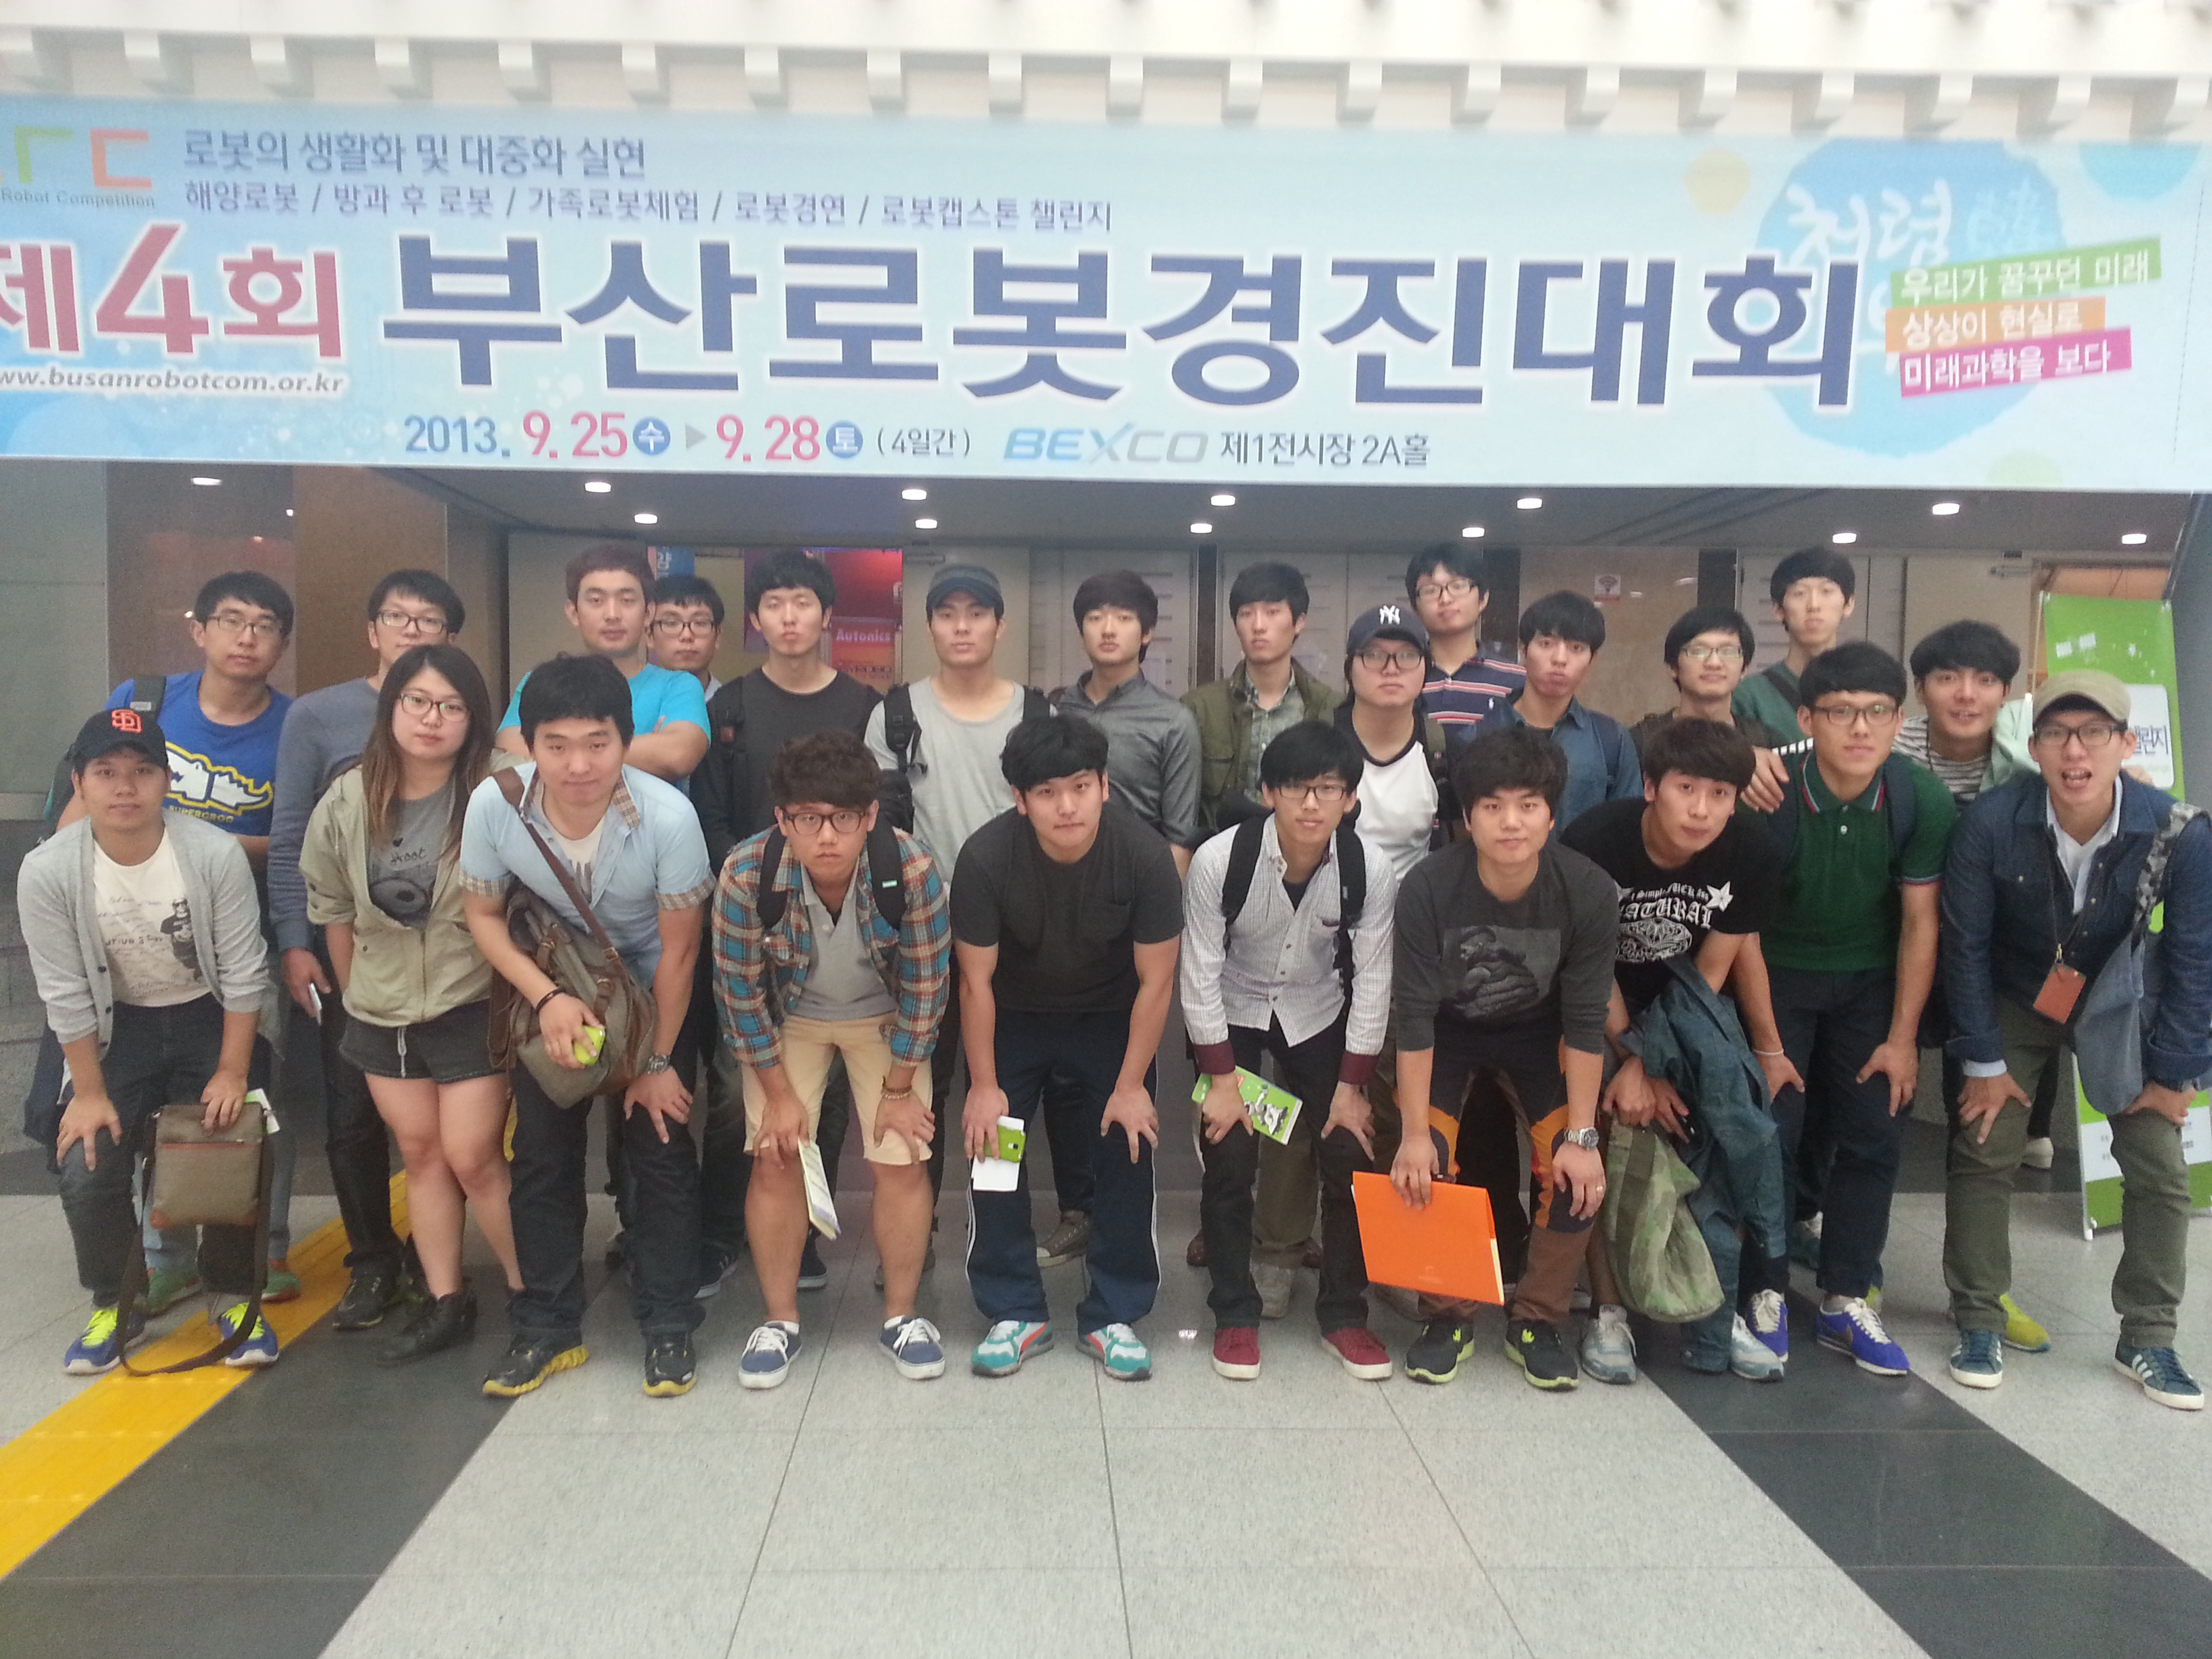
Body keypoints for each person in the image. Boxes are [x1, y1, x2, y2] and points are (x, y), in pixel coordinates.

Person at [1941, 671, 2212, 1410]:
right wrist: (1983, 1060)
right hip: (2016, 993)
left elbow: (2195, 957)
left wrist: (2176, 1073)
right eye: (2058, 734)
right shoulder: (1992, 822)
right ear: (2033, 748)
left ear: (2126, 744)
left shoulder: (2178, 830)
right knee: (1985, 1143)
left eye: (2095, 733)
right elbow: (1965, 946)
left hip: (2119, 998)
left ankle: (2148, 1337)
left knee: (2159, 1163)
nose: (2075, 751)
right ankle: (1978, 1320)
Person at [460, 655, 714, 1399]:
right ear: (528, 744)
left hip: (652, 991)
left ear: (625, 741)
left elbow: (680, 951)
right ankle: (546, 1328)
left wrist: (657, 1061)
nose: (578, 765)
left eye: (598, 743)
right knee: (543, 1156)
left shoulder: (669, 817)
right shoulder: (494, 805)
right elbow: (482, 916)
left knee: (658, 1150)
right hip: (556, 987)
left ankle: (668, 1324)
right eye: (557, 745)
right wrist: (546, 999)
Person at [64, 572, 299, 1313]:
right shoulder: (144, 702)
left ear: (281, 644)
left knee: (247, 1098)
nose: (246, 637)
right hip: (128, 940)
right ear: (199, 629)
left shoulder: (292, 726)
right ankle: (165, 1256)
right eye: (231, 620)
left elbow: (296, 839)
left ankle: (261, 1250)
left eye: (265, 625)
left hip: (239, 936)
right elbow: (82, 806)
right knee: (148, 1108)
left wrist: (196, 844)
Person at [22, 709, 280, 1373]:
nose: (124, 787)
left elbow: (245, 970)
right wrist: (88, 1093)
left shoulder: (212, 853)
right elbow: (64, 992)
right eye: (105, 772)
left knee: (230, 1149)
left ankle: (233, 1297)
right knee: (87, 1164)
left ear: (167, 781)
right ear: (79, 782)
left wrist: (231, 1071)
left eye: (142, 771)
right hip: (117, 1028)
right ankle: (117, 1301)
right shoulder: (48, 871)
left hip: (207, 1015)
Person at [301, 645, 521, 1366]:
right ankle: (446, 1298)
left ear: (473, 718)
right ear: (391, 707)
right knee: (422, 1155)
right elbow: (332, 907)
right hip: (381, 1005)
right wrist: (357, 996)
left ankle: (534, 1296)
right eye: (417, 702)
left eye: (451, 706)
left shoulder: (499, 788)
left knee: (473, 1156)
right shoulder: (348, 797)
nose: (432, 719)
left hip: (472, 997)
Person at [713, 732, 951, 1389]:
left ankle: (902, 1317)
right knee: (776, 1156)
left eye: (843, 818)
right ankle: (780, 1321)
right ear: (782, 818)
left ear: (870, 815)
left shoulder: (911, 869)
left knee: (901, 1157)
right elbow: (739, 996)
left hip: (887, 1019)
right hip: (790, 1021)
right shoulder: (746, 874)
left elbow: (927, 990)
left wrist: (899, 1091)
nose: (826, 837)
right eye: (807, 819)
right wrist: (779, 1097)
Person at [1562, 718, 1793, 1384]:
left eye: (1720, 794)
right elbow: (1589, 966)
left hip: (1687, 1005)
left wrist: (1653, 1061)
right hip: (1596, 1005)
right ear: (1650, 787)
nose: (1701, 810)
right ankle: (1609, 1311)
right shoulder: (1594, 842)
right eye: (1686, 789)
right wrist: (1630, 1057)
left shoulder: (1752, 853)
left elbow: (1713, 969)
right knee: (1608, 1122)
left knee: (1723, 1118)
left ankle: (1714, 1312)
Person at [1389, 726, 1619, 1391]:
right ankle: (1447, 1316)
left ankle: (1538, 1320)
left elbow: (1585, 1021)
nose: (1511, 822)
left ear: (1551, 814)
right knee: (1424, 1162)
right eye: (1492, 807)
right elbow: (1414, 1016)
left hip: (1538, 1037)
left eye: (1527, 805)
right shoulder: (1429, 886)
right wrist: (1412, 1135)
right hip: (1448, 1035)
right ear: (1467, 818)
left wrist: (1582, 1137)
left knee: (1575, 1170)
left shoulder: (1587, 890)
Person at [953, 717, 1183, 1381]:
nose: (1067, 807)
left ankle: (1115, 1312)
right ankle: (1014, 1310)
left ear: (1104, 786)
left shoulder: (1143, 857)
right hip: (1013, 1017)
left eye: (1081, 787)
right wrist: (985, 1086)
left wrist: (1132, 1086)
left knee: (1128, 1144)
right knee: (994, 1148)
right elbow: (974, 983)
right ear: (1020, 799)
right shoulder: (985, 858)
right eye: (1047, 792)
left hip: (1110, 1019)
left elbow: (1157, 981)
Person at [1751, 641, 1956, 1380]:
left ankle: (1845, 1295)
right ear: (1808, 720)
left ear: (1900, 720)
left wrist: (1903, 1039)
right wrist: (1766, 1042)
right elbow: (1741, 928)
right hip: (1776, 977)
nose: (1860, 728)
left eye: (1877, 712)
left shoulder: (1919, 799)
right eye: (1840, 712)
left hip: (1870, 985)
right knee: (1771, 1132)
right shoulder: (1771, 792)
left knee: (1874, 1133)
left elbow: (1921, 923)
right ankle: (1762, 1289)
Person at [269, 569, 466, 1333]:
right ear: (372, 628)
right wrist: (295, 941)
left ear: (449, 639)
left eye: (429, 620)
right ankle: (373, 1261)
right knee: (351, 1112)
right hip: (351, 953)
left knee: (448, 1132)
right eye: (398, 616)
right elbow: (293, 836)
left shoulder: (465, 722)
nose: (412, 630)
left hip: (452, 969)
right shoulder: (318, 716)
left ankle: (431, 1260)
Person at [1181, 722, 1398, 1381]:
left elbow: (1374, 979)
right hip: (1232, 1007)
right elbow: (1199, 973)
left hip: (1317, 1007)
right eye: (1297, 788)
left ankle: (1344, 1315)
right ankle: (1235, 1313)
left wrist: (1352, 1087)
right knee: (1229, 1151)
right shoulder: (1220, 860)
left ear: (1350, 800)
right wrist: (1222, 1082)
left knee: (1351, 1150)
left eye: (1328, 790)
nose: (1311, 804)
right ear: (1268, 791)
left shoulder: (1369, 869)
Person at [695, 550, 883, 1293]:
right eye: (774, 604)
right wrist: (753, 886)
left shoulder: (864, 706)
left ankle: (804, 1230)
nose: (789, 617)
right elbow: (711, 812)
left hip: (839, 922)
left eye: (803, 602)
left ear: (827, 615)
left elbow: (878, 810)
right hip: (752, 920)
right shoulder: (731, 707)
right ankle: (721, 1232)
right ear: (756, 619)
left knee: (826, 1096)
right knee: (734, 1086)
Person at [864, 563, 1048, 1224]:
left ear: (1000, 625)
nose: (962, 626)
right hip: (922, 936)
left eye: (976, 613)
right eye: (947, 614)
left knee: (1001, 1085)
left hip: (1017, 933)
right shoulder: (895, 715)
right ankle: (918, 1226)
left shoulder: (1036, 715)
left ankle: (993, 1225)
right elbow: (875, 833)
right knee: (921, 1082)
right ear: (929, 627)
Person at [495, 544, 710, 786]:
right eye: (596, 600)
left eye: (627, 600)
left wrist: (555, 751)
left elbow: (677, 755)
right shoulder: (541, 683)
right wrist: (646, 748)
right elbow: (508, 749)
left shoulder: (678, 686)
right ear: (574, 613)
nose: (612, 614)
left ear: (649, 612)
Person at [1052, 569, 1202, 874]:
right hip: (1057, 874)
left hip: (1137, 876)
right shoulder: (1056, 710)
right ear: (1081, 633)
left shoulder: (1173, 720)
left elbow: (1180, 839)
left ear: (1147, 633)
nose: (1108, 630)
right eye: (1095, 618)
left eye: (1123, 618)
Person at [1184, 560, 1341, 835]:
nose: (1258, 625)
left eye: (1272, 612)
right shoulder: (1199, 708)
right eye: (1246, 614)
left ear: (1299, 622)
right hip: (1220, 850)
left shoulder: (1330, 708)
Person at [1471, 590, 1641, 835]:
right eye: (1546, 644)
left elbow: (1626, 827)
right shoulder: (1480, 734)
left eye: (1576, 648)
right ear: (1523, 650)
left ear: (1592, 660)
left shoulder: (1612, 740)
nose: (1560, 659)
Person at [1405, 542, 1525, 740]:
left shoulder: (1518, 681)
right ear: (1414, 606)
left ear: (1483, 599)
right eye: (1430, 590)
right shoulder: (1401, 675)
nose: (1445, 599)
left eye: (1458, 586)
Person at [1732, 547, 1857, 737]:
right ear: (1778, 609)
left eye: (1826, 591)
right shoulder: (1750, 696)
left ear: (1848, 605)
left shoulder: (1868, 690)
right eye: (1799, 593)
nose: (1814, 605)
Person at [649, 572, 726, 698]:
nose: (686, 635)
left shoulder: (737, 707)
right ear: (649, 635)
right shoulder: (630, 704)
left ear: (718, 636)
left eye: (700, 623)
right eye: (671, 623)